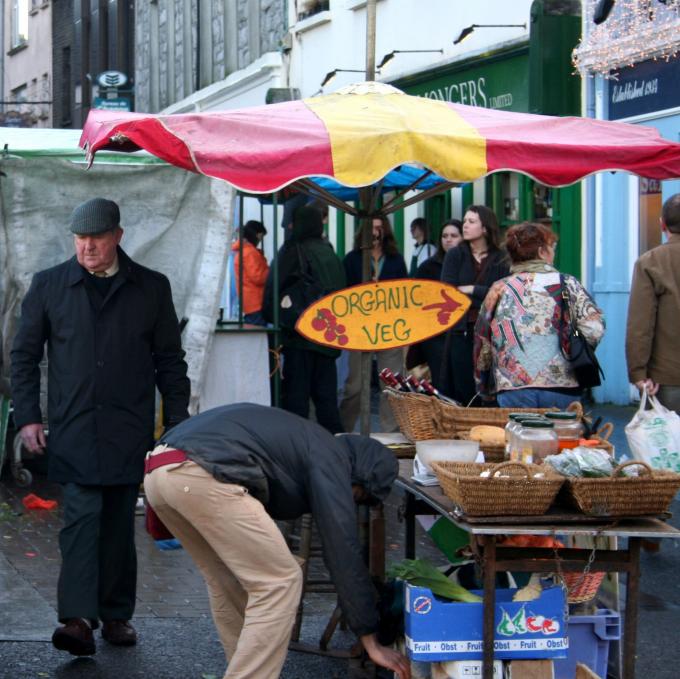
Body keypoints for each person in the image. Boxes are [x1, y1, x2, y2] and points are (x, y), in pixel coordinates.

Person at [10, 198, 190, 656]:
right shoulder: (50, 285)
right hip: (73, 425)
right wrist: (29, 416)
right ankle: (77, 619)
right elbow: (24, 357)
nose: (87, 247)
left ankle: (116, 615)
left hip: (129, 426)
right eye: (80, 238)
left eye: (96, 238)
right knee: (81, 518)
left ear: (117, 237)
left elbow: (170, 361)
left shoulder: (151, 288)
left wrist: (177, 423)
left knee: (116, 522)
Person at [143, 402, 411, 679]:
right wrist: (370, 639)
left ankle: (242, 670)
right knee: (280, 581)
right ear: (360, 476)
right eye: (356, 496)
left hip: (160, 470)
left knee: (226, 580)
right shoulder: (331, 458)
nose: (350, 501)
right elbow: (343, 550)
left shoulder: (311, 440)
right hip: (201, 473)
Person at [474, 222, 605, 408]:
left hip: (513, 387)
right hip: (562, 385)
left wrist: (483, 387)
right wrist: (573, 339)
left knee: (521, 436)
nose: (553, 252)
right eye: (552, 247)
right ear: (542, 252)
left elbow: (482, 341)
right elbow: (594, 328)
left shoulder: (499, 289)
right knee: (562, 436)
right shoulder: (567, 284)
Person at [263, 204, 346, 433]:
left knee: (296, 403)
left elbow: (272, 293)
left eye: (293, 222)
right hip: (329, 341)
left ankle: (296, 451)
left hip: (300, 338)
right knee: (327, 404)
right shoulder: (330, 253)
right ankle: (337, 448)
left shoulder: (293, 250)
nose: (289, 226)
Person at [340, 216, 408, 432]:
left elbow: (404, 293)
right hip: (359, 329)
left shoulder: (395, 259)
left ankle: (392, 432)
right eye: (371, 228)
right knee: (354, 387)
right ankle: (346, 429)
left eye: (379, 228)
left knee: (391, 384)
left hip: (390, 328)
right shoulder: (352, 259)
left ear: (385, 231)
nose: (375, 233)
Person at [441, 206, 510, 405]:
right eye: (465, 221)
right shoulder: (455, 255)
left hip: (491, 332)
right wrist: (485, 292)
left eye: (471, 221)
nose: (465, 225)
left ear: (485, 228)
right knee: (463, 387)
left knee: (490, 386)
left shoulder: (501, 258)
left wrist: (471, 289)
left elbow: (502, 294)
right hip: (461, 331)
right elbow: (449, 293)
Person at [626, 193, 680, 410]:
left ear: (662, 225)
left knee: (668, 443)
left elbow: (641, 324)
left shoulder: (650, 262)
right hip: (667, 375)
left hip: (666, 375)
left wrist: (638, 372)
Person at [411, 219, 463, 388]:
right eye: (444, 236)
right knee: (441, 382)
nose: (448, 239)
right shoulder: (428, 267)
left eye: (454, 235)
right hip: (435, 334)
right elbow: (418, 300)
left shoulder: (468, 265)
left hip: (461, 333)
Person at [232, 219, 269, 326]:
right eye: (261, 236)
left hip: (250, 302)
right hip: (256, 302)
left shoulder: (244, 251)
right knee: (259, 336)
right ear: (256, 235)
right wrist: (271, 272)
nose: (260, 240)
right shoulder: (250, 253)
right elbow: (258, 277)